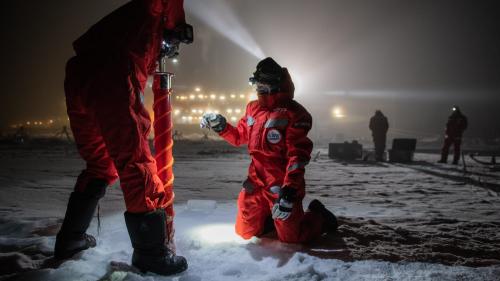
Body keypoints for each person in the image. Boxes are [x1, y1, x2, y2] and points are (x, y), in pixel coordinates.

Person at [55, 0, 192, 275]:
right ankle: (150, 253)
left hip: (80, 74)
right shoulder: (152, 15)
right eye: (171, 45)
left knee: (100, 163)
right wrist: (178, 25)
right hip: (113, 74)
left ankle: (70, 239)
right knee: (135, 161)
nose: (168, 51)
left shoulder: (124, 26)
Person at [201, 57, 338, 243]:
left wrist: (289, 190)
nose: (257, 88)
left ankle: (319, 216)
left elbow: (297, 156)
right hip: (255, 181)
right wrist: (221, 126)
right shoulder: (253, 108)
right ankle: (269, 220)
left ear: (274, 84)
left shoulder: (295, 113)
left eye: (261, 84)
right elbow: (239, 136)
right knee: (244, 232)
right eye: (257, 84)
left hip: (280, 183)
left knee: (292, 238)